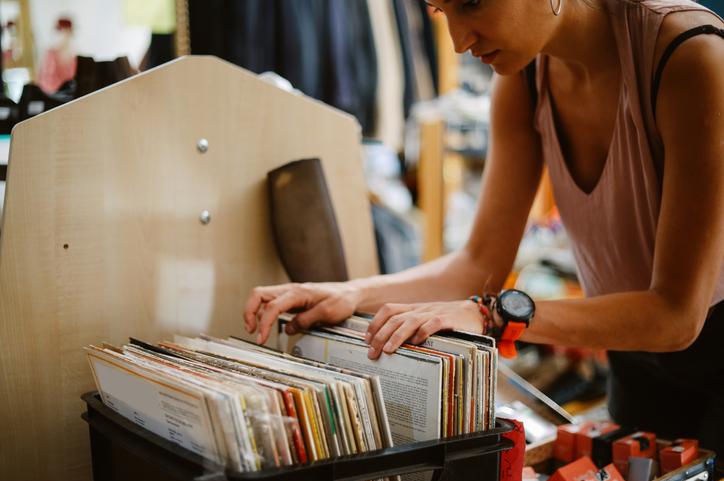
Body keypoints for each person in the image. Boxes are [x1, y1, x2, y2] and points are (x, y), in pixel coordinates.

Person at [245, 0, 724, 453]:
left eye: (472, 2)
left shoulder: (691, 56)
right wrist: (348, 294)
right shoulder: (527, 74)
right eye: (441, 10)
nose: (456, 41)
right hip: (633, 357)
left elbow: (675, 316)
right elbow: (478, 263)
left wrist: (494, 314)